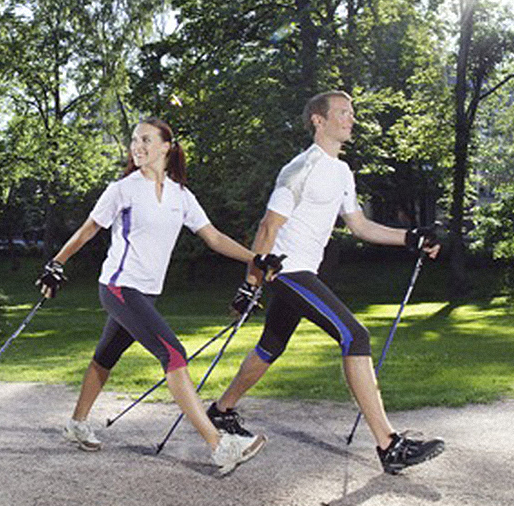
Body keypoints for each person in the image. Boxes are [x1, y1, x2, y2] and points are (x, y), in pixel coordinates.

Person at [208, 90, 445, 475]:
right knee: (356, 335)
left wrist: (410, 237)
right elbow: (269, 226)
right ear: (319, 120)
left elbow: (359, 225)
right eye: (342, 113)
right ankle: (389, 444)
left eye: (352, 113)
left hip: (306, 271)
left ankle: (221, 410)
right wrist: (250, 284)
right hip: (287, 270)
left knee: (270, 346)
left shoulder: (341, 171)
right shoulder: (300, 168)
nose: (350, 119)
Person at [37, 117, 282, 475]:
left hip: (146, 293)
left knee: (105, 357)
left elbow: (212, 237)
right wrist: (57, 263)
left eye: (146, 140)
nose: (137, 146)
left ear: (167, 146)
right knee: (174, 354)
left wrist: (255, 258)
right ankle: (218, 445)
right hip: (120, 288)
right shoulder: (122, 189)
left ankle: (77, 422)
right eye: (134, 141)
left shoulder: (180, 196)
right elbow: (89, 230)